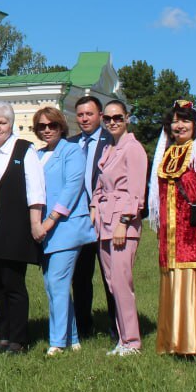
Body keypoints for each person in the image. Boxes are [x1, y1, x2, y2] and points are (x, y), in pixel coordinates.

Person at [148, 100, 196, 359]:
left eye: (185, 121)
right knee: (176, 284)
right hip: (170, 238)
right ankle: (179, 343)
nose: (179, 125)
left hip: (195, 233)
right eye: (175, 121)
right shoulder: (166, 154)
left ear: (194, 126)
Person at [0, 101, 45, 354]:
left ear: (11, 124)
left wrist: (36, 223)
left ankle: (19, 340)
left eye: (2, 122)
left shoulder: (24, 150)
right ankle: (3, 336)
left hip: (12, 229)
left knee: (13, 285)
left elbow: (36, 191)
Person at [31, 106, 94, 355]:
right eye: (42, 126)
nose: (47, 130)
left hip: (66, 226)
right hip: (45, 230)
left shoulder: (72, 151)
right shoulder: (37, 155)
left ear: (61, 127)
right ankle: (73, 337)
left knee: (57, 282)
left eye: (52, 125)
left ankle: (57, 342)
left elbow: (72, 187)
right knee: (52, 284)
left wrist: (51, 219)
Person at [91, 100, 147, 355]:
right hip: (104, 222)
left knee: (123, 283)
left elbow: (136, 192)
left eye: (118, 118)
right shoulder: (109, 149)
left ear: (127, 118)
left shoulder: (133, 149)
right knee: (113, 283)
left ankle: (132, 342)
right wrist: (94, 206)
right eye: (108, 119)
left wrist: (124, 222)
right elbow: (101, 185)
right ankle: (122, 339)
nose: (113, 122)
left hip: (122, 223)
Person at [69, 95, 115, 340]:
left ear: (100, 116)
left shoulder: (113, 141)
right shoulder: (70, 144)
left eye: (89, 114)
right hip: (78, 218)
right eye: (80, 115)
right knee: (80, 277)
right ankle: (83, 327)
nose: (85, 118)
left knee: (111, 276)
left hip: (106, 218)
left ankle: (117, 327)